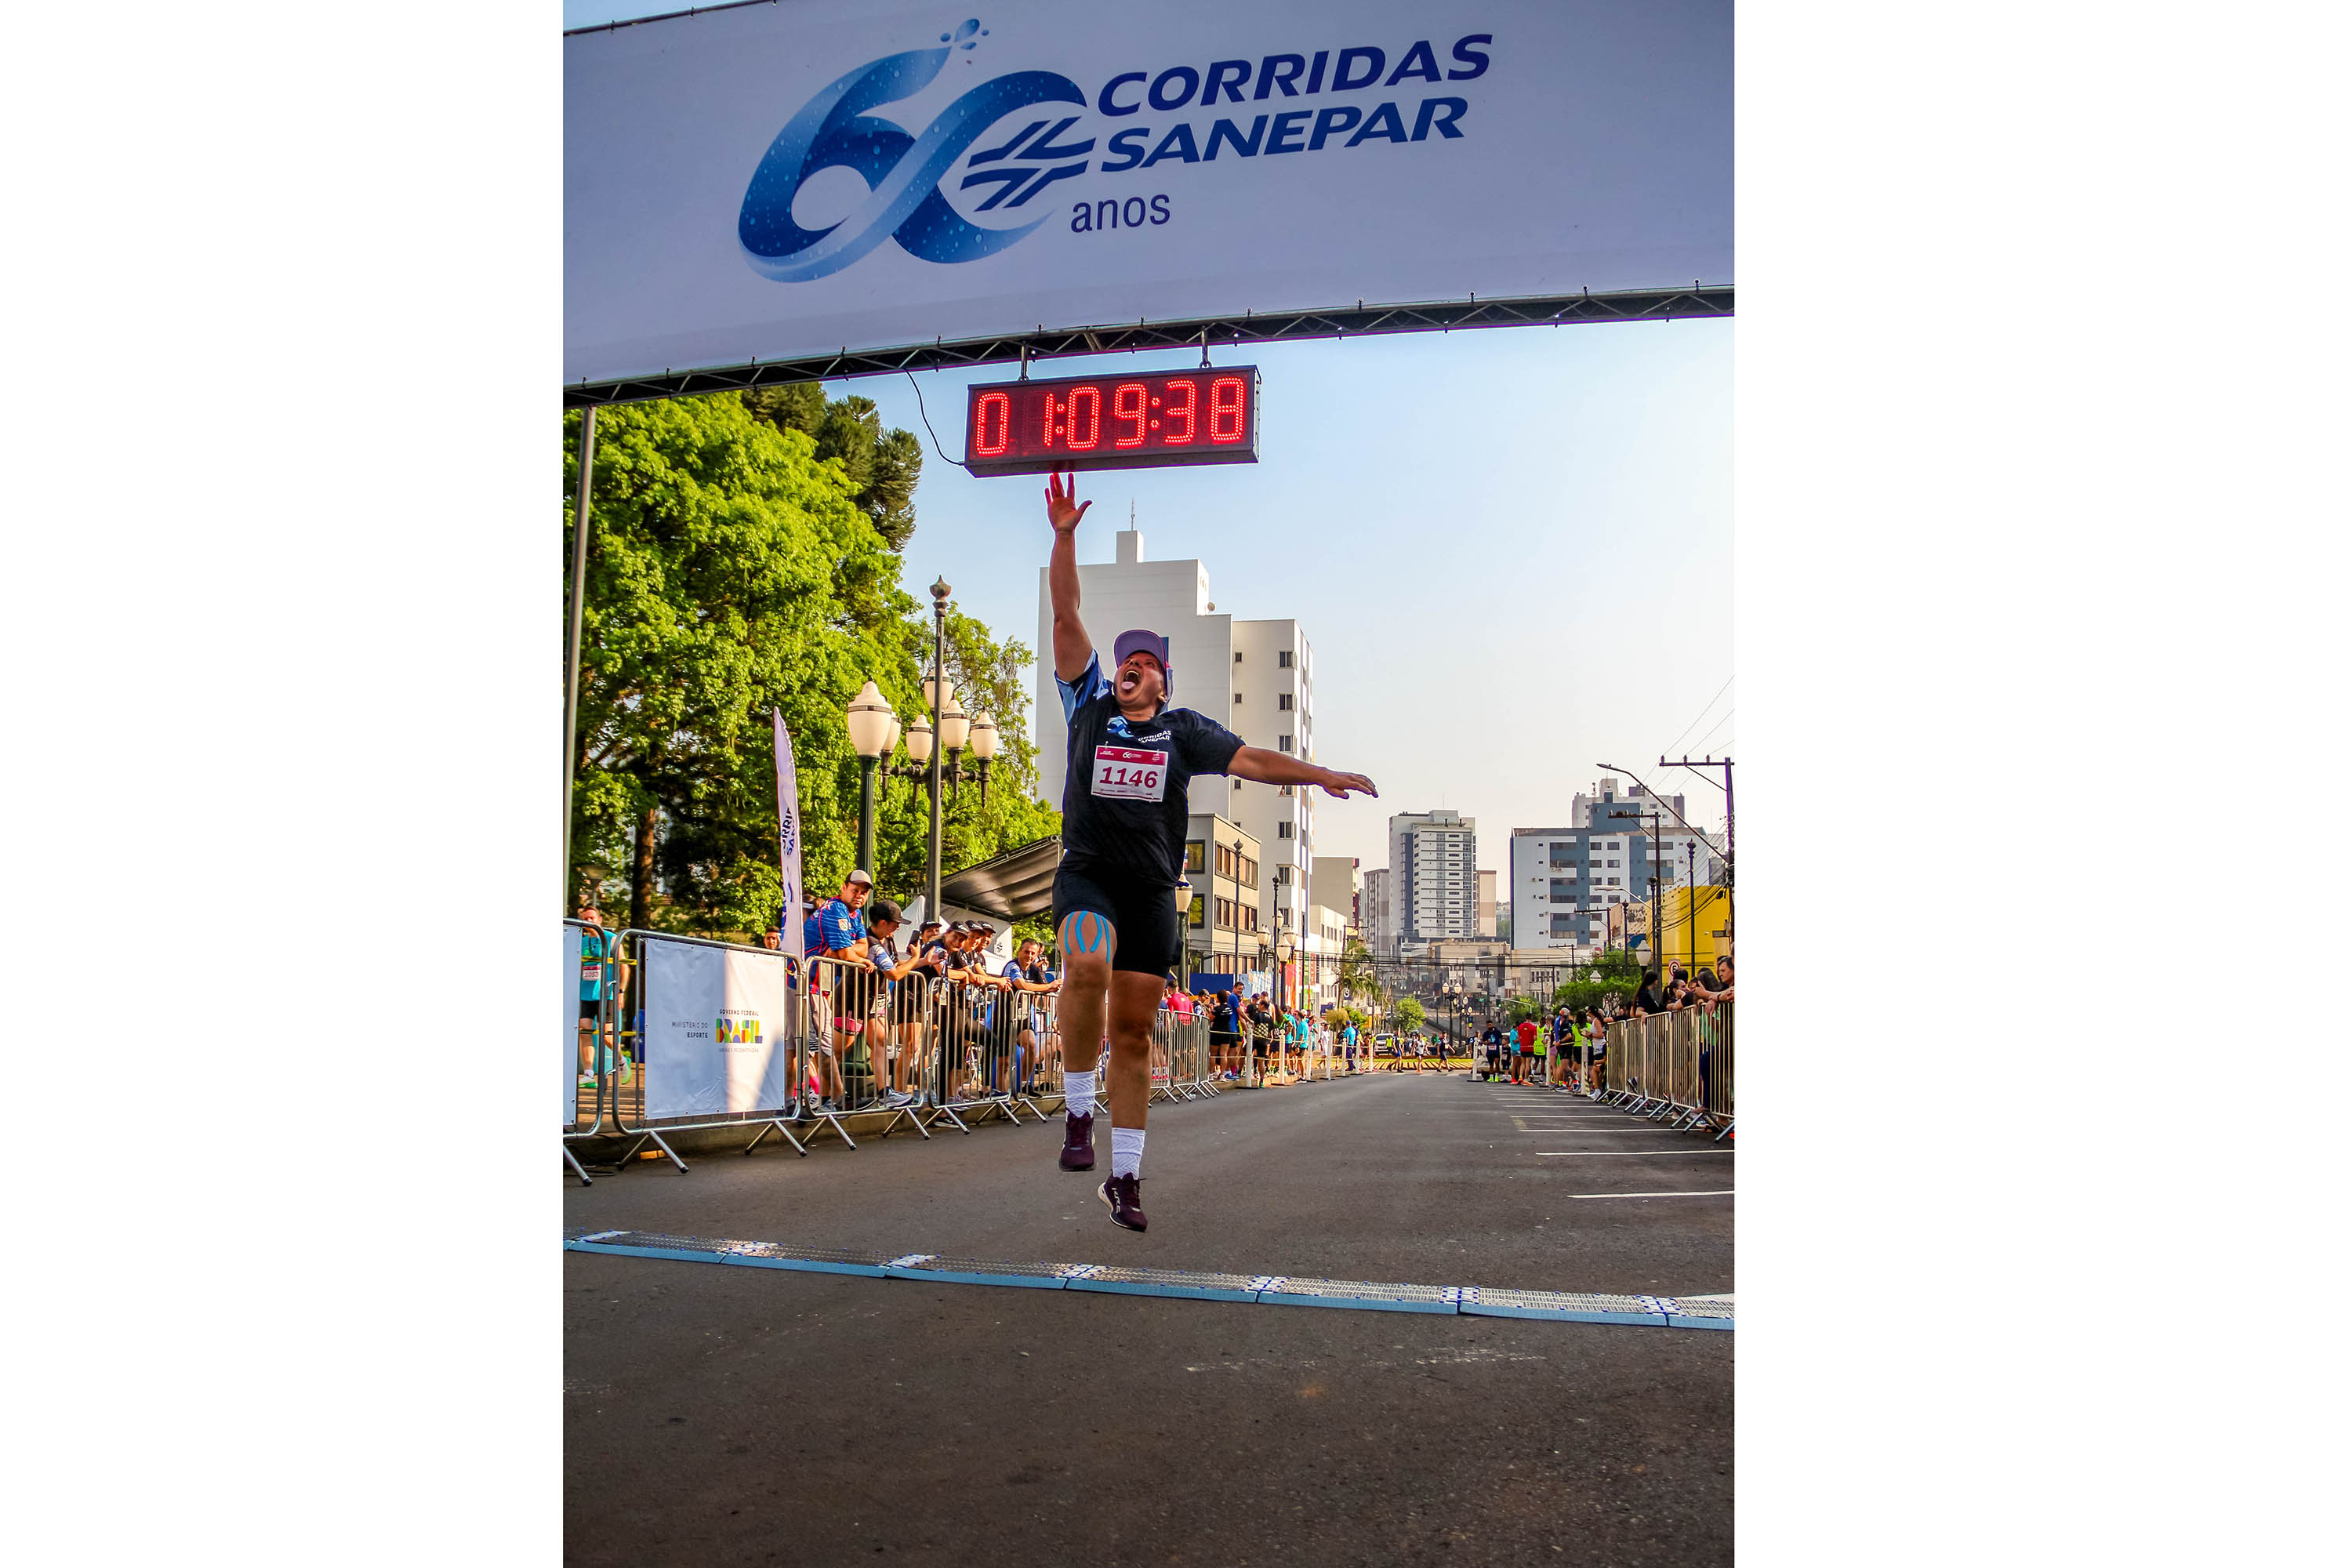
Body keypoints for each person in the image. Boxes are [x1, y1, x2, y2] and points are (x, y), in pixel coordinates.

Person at [1043, 470, 1377, 1229]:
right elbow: (1067, 612)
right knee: (1086, 961)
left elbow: (1255, 760)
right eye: (1125, 660)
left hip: (1154, 888)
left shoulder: (1184, 729)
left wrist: (1319, 773)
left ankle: (1125, 1178)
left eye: (1146, 662)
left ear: (1162, 679)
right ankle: (1076, 1113)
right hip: (1090, 873)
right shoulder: (1087, 704)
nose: (1132, 667)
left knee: (1134, 1030)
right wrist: (1065, 538)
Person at [803, 871, 875, 1110]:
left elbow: (862, 949)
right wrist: (847, 953)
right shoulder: (836, 910)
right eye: (855, 889)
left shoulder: (855, 914)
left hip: (817, 986)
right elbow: (848, 954)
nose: (860, 895)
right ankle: (836, 1097)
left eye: (864, 892)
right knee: (821, 1044)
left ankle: (821, 1099)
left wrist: (844, 951)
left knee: (807, 1046)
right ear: (843, 887)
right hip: (807, 984)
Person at [1515, 1013, 1541, 1085]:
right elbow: (1535, 1038)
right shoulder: (1533, 1027)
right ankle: (1526, 1078)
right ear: (1531, 1018)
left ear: (1525, 1018)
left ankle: (1520, 1076)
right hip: (1530, 1047)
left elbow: (1519, 1038)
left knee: (1523, 1063)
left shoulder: (1520, 1026)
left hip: (1522, 1047)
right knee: (1528, 1064)